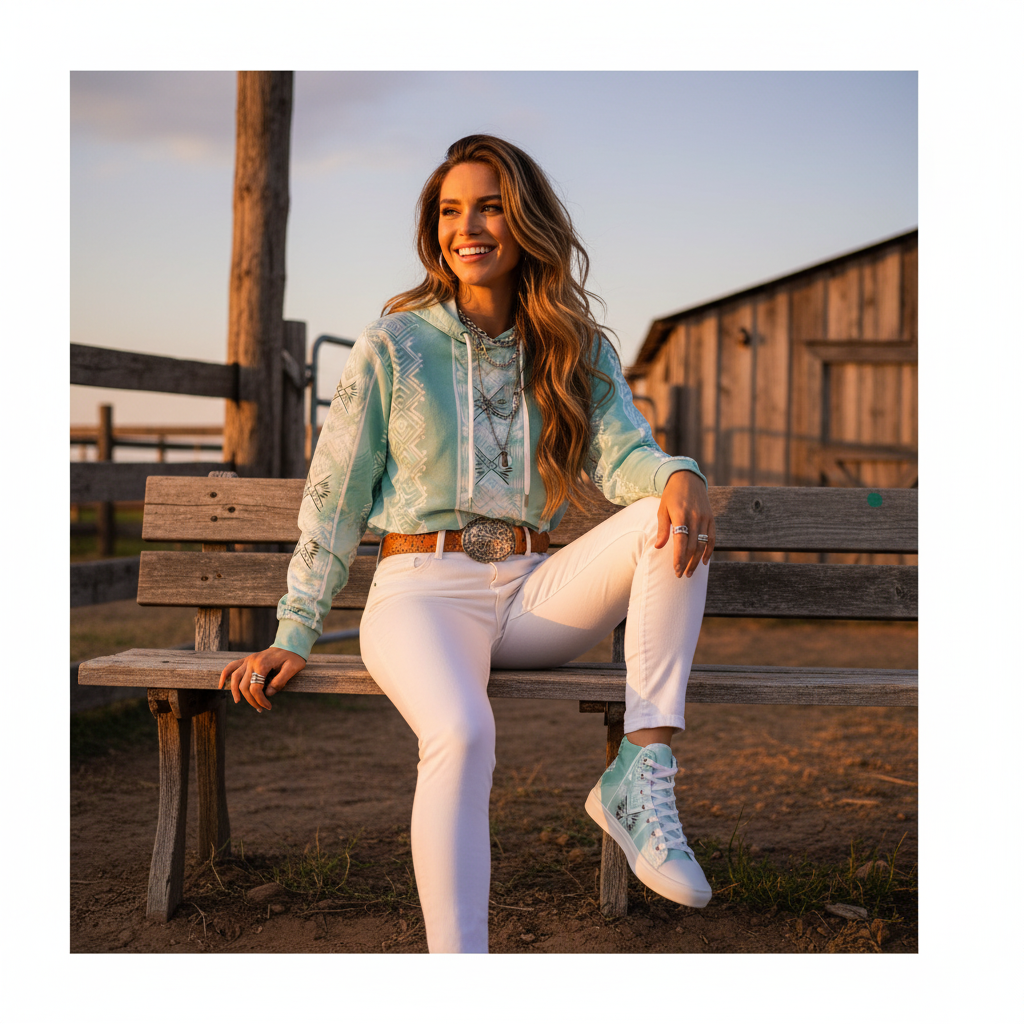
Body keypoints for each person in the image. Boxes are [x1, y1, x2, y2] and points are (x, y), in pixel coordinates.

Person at [219, 134, 717, 954]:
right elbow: (336, 496)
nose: (468, 227)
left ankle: (641, 771)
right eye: (452, 211)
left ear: (526, 221)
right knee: (462, 731)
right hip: (419, 594)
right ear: (434, 228)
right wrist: (295, 630)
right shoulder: (393, 344)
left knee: (667, 521)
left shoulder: (573, 345)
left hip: (531, 592)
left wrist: (676, 473)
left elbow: (623, 456)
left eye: (490, 207)